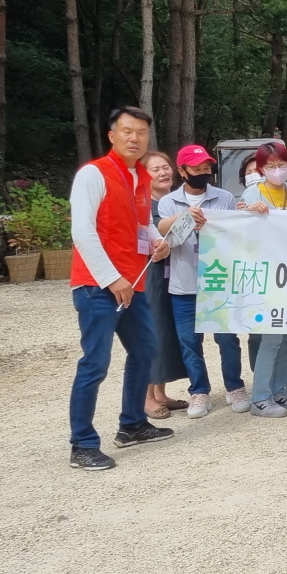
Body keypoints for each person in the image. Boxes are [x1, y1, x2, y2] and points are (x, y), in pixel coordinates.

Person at [67, 106, 173, 470]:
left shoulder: (140, 176)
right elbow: (82, 231)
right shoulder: (93, 173)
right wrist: (111, 278)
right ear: (112, 135)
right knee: (95, 363)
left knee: (146, 351)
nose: (135, 138)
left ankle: (132, 424)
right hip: (98, 285)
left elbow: (142, 224)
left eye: (141, 132)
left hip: (133, 283)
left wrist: (157, 241)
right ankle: (82, 444)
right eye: (127, 131)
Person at [156, 144, 250, 419]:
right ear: (183, 171)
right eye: (196, 169)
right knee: (189, 342)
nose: (203, 173)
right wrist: (185, 221)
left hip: (219, 281)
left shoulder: (224, 198)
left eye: (206, 168)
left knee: (227, 339)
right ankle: (199, 391)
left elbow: (235, 237)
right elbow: (167, 241)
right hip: (183, 283)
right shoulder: (168, 203)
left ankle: (235, 387)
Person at [236, 141, 287, 417]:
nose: (277, 170)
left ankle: (278, 391)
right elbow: (238, 229)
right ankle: (260, 397)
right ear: (261, 169)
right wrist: (248, 213)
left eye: (281, 164)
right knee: (271, 336)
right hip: (264, 273)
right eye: (271, 166)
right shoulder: (252, 193)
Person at [141, 151, 187, 419]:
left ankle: (160, 393)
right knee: (153, 331)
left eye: (166, 167)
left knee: (168, 332)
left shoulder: (173, 202)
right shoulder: (142, 204)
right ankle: (146, 397)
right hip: (152, 274)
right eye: (155, 169)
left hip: (175, 273)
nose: (163, 172)